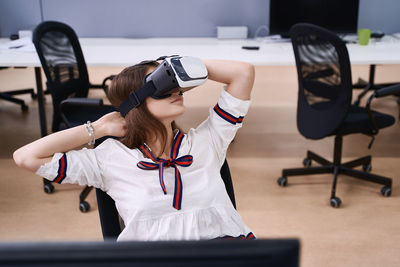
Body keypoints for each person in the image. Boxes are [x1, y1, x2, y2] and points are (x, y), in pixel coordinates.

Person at [13, 58, 256, 241]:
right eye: (162, 85)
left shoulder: (208, 140)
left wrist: (176, 64)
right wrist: (97, 129)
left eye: (175, 84)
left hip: (226, 255)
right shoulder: (110, 159)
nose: (175, 91)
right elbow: (26, 157)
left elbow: (243, 73)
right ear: (136, 102)